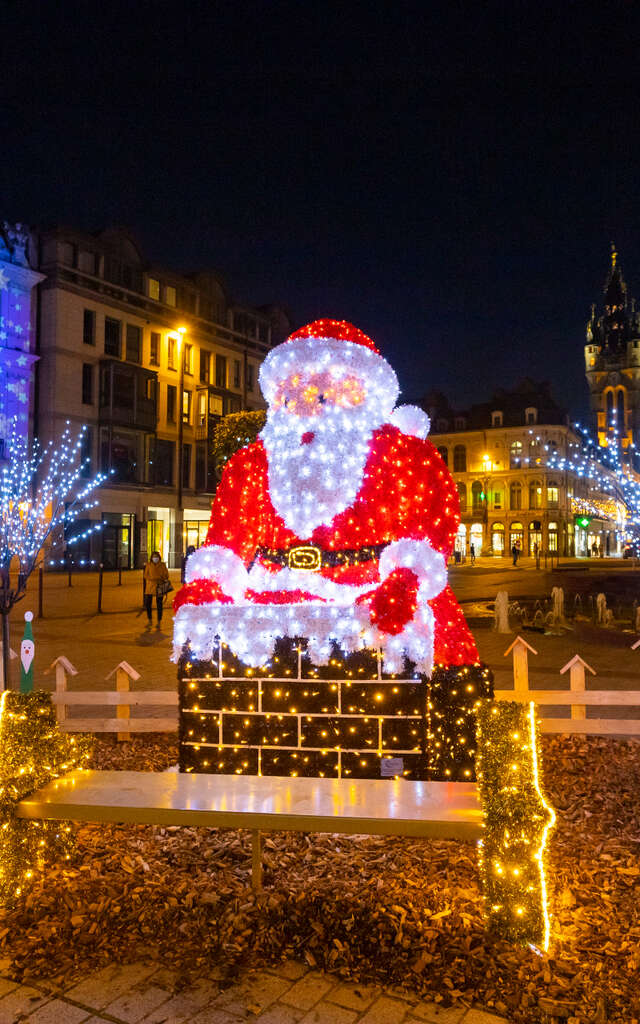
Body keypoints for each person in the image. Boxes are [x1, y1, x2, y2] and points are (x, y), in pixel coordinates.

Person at [173, 318, 478, 674]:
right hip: (268, 609)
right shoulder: (251, 461)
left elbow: (428, 524)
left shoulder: (403, 454)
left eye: (322, 390)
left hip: (370, 598)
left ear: (361, 389)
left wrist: (405, 578)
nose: (306, 402)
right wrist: (209, 585)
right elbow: (228, 541)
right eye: (291, 390)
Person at [143, 551, 169, 629]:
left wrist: (161, 578)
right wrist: (152, 578)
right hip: (150, 587)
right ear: (151, 558)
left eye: (157, 557)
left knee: (159, 605)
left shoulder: (162, 565)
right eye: (154, 557)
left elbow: (166, 575)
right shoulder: (148, 565)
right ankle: (150, 620)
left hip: (159, 586)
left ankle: (159, 622)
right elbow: (145, 575)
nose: (155, 558)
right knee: (148, 604)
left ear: (159, 558)